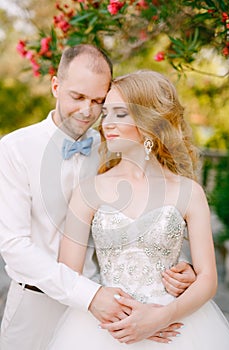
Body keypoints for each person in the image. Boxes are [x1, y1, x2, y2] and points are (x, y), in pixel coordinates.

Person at [0, 46, 195, 350]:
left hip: (110, 305)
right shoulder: (14, 149)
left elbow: (143, 210)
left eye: (98, 101)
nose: (88, 111)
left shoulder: (113, 144)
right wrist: (89, 296)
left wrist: (177, 265)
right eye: (77, 97)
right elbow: (14, 246)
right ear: (55, 86)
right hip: (37, 303)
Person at [47, 70, 229, 349]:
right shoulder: (88, 191)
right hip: (103, 327)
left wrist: (161, 318)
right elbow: (67, 272)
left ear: (149, 121)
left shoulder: (188, 192)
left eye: (120, 114)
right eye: (106, 113)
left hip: (176, 327)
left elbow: (208, 279)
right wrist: (112, 310)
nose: (106, 123)